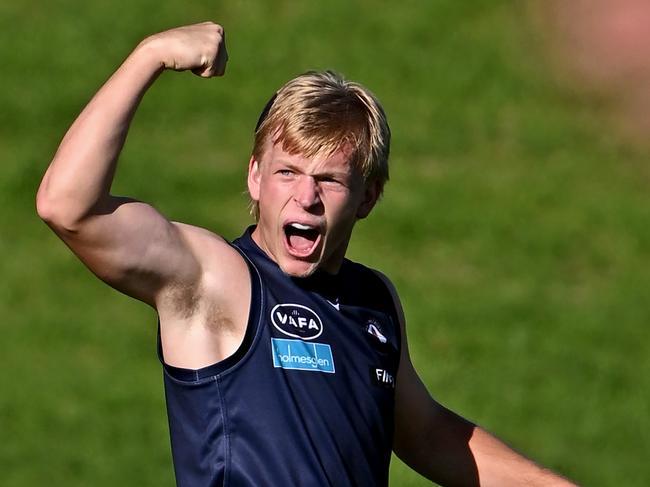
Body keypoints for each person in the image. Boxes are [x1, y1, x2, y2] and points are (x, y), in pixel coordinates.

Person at [37, 22, 577, 486]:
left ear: (368, 196)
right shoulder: (215, 281)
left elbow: (429, 435)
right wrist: (150, 54)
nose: (306, 197)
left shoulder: (374, 303)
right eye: (287, 173)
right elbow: (68, 206)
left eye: (330, 180)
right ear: (255, 177)